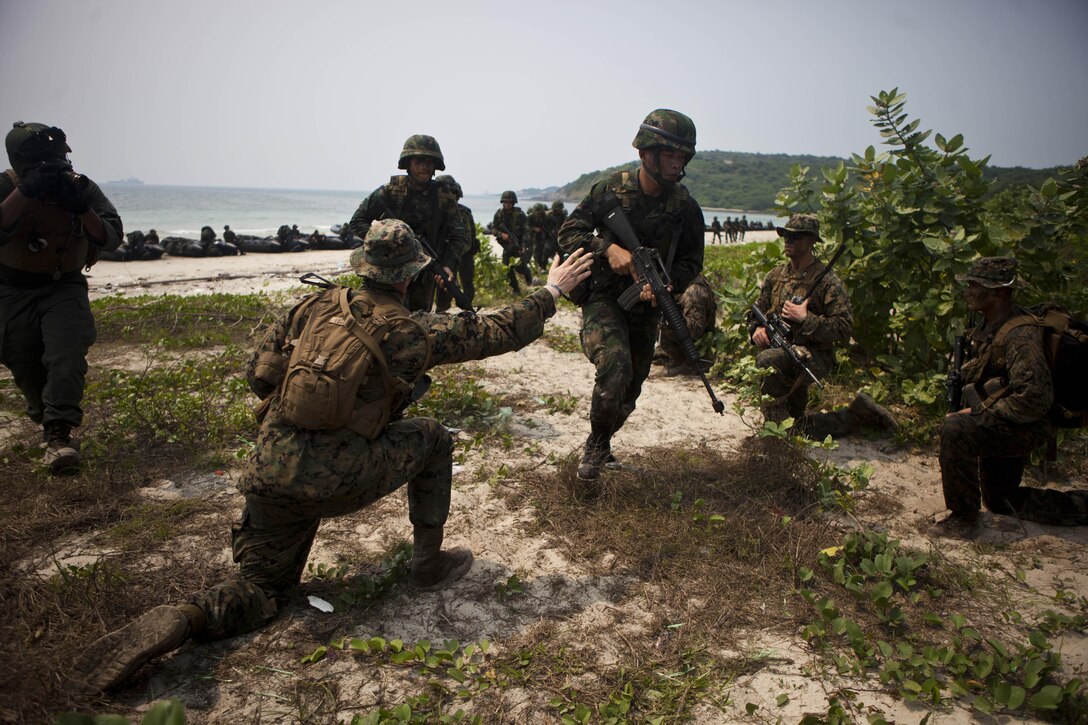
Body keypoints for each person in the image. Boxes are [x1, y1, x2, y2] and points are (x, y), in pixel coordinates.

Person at [71, 219, 595, 693]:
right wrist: (552, 291)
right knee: (433, 436)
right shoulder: (409, 332)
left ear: (362, 268)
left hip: (271, 472)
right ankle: (428, 564)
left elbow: (259, 376)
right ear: (411, 275)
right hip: (338, 478)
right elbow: (495, 332)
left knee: (261, 590)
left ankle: (186, 617)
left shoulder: (308, 307)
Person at [557, 109, 706, 484]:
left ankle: (602, 444)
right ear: (645, 154)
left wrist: (668, 285)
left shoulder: (685, 208)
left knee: (631, 388)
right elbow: (567, 233)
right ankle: (593, 451)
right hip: (604, 297)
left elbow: (692, 260)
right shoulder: (609, 191)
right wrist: (607, 248)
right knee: (615, 366)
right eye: (669, 156)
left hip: (647, 306)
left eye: (681, 157)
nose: (676, 164)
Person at [933, 257, 1088, 536]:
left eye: (975, 285)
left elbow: (1036, 397)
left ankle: (964, 520)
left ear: (1000, 292)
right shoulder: (987, 327)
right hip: (1009, 421)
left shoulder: (1019, 333)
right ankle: (1081, 507)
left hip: (1026, 424)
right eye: (968, 285)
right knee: (1002, 501)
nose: (968, 291)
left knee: (956, 428)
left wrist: (976, 414)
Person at [0, 121, 123, 473]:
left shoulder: (81, 188)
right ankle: (46, 420)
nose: (52, 168)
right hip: (12, 289)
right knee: (23, 362)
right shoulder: (5, 187)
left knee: (66, 353)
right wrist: (25, 192)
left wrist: (81, 207)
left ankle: (58, 437)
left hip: (63, 286)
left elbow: (111, 236)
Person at [749, 214, 896, 439]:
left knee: (769, 361)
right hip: (781, 349)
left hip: (812, 356)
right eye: (786, 235)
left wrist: (805, 319)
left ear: (810, 242)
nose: (788, 240)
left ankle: (774, 438)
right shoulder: (775, 276)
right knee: (797, 427)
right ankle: (855, 415)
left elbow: (844, 327)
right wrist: (756, 330)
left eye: (795, 237)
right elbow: (755, 312)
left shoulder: (828, 281)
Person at [350, 135, 467, 313]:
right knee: (380, 315)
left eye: (429, 162)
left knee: (417, 323)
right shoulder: (389, 191)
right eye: (419, 160)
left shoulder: (444, 196)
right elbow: (357, 221)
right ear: (408, 163)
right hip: (388, 270)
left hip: (425, 269)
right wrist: (385, 243)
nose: (424, 166)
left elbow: (459, 235)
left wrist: (448, 264)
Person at [654, 274, 717, 376]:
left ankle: (683, 363)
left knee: (661, 321)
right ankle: (672, 357)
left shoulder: (694, 290)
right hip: (686, 342)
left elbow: (696, 331)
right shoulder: (677, 282)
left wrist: (671, 318)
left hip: (696, 350)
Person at [433, 175, 477, 312]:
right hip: (435, 254)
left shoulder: (463, 212)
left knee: (461, 283)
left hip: (459, 254)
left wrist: (453, 252)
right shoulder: (431, 210)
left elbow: (468, 238)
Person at [492, 190, 532, 293]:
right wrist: (502, 235)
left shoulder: (520, 215)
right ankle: (516, 289)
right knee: (507, 268)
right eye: (505, 202)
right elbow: (493, 229)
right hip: (507, 245)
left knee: (520, 267)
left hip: (518, 243)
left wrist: (523, 245)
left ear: (513, 203)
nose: (507, 205)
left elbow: (526, 231)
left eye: (509, 203)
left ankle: (528, 274)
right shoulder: (499, 214)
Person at [526, 202, 550, 271]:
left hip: (542, 236)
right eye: (537, 213)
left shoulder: (545, 217)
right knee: (533, 251)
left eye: (540, 213)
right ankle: (534, 265)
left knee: (542, 250)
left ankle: (541, 266)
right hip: (531, 236)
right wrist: (534, 228)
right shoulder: (530, 217)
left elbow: (548, 225)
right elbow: (526, 226)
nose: (538, 215)